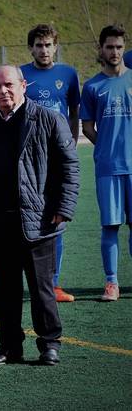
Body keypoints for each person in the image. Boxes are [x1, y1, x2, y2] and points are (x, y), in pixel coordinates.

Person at [0, 65, 79, 366]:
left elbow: (70, 166)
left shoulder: (48, 118)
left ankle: (49, 344)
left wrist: (64, 208)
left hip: (39, 220)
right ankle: (9, 346)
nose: (3, 91)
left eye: (8, 85)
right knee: (5, 292)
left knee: (41, 290)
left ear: (23, 85)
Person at [20, 24, 81, 303]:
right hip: (33, 158)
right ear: (31, 47)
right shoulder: (22, 75)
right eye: (39, 45)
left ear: (55, 46)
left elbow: (73, 113)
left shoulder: (68, 74)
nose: (44, 50)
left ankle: (53, 283)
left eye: (48, 45)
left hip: (57, 155)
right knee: (30, 218)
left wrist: (69, 146)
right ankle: (31, 281)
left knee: (57, 218)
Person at [80, 25, 132, 302]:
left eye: (119, 47)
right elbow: (87, 127)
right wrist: (107, 147)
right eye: (110, 47)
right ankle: (111, 282)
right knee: (110, 226)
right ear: (101, 49)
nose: (115, 52)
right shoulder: (92, 86)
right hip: (108, 168)